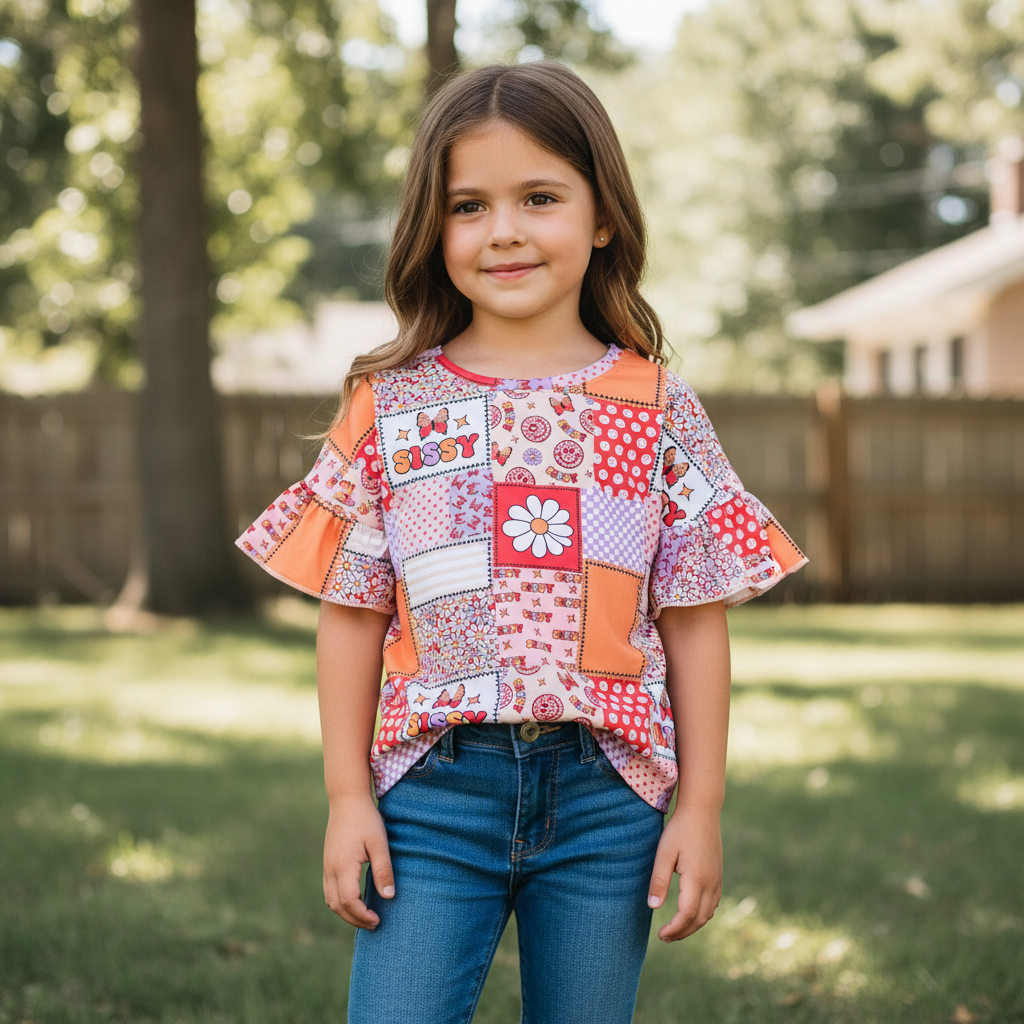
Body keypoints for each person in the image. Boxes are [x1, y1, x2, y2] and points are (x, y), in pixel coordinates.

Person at [237, 61, 807, 1024]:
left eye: (539, 197)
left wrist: (701, 808)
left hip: (606, 801)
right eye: (469, 205)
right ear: (434, 228)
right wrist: (347, 798)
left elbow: (693, 621)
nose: (503, 229)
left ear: (602, 217)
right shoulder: (390, 406)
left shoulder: (656, 406)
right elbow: (352, 614)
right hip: (431, 798)